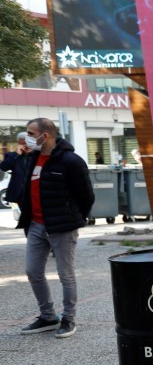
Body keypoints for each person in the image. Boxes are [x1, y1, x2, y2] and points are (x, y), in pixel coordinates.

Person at [13, 118, 94, 338]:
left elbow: (86, 196)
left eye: (31, 133)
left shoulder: (71, 161)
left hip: (62, 228)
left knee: (65, 275)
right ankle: (48, 316)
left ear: (45, 135)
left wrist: (72, 219)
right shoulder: (32, 158)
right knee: (32, 271)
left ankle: (69, 319)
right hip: (36, 226)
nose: (27, 137)